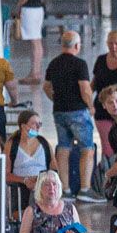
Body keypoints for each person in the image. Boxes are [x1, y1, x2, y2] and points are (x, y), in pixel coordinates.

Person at [44, 31, 97, 200]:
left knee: (63, 148)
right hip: (78, 112)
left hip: (59, 111)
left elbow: (46, 87)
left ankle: (65, 190)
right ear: (76, 46)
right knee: (87, 149)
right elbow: (85, 89)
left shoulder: (54, 63)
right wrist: (91, 106)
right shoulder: (79, 64)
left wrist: (56, 99)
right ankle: (85, 189)